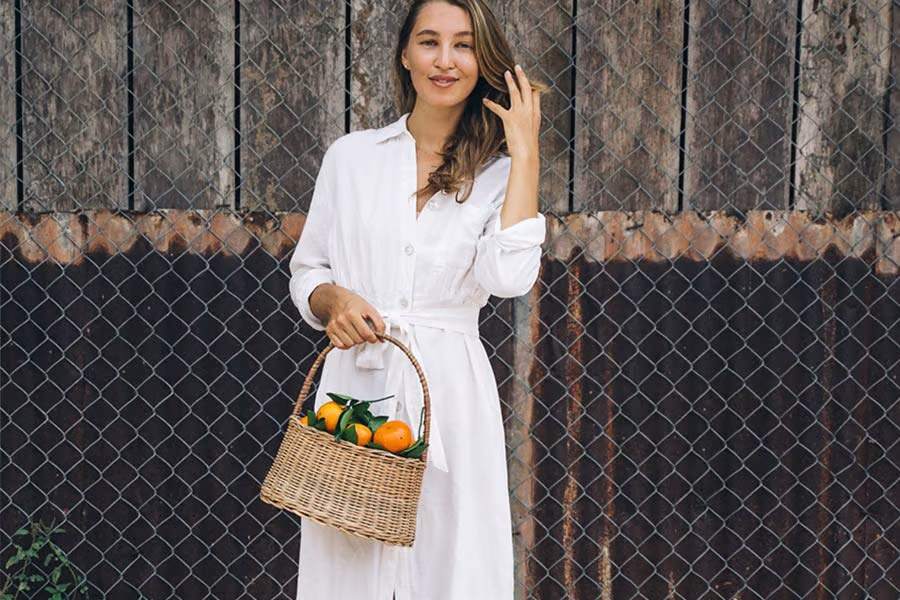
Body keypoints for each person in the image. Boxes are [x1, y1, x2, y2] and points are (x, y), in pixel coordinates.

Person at [288, 1, 548, 597]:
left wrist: (525, 151)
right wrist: (334, 302)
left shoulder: (501, 176)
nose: (445, 60)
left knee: (452, 565)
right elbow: (309, 270)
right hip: (359, 386)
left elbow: (510, 276)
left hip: (449, 391)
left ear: (482, 59)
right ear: (405, 54)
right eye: (429, 42)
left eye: (463, 45)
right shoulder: (352, 159)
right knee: (350, 567)